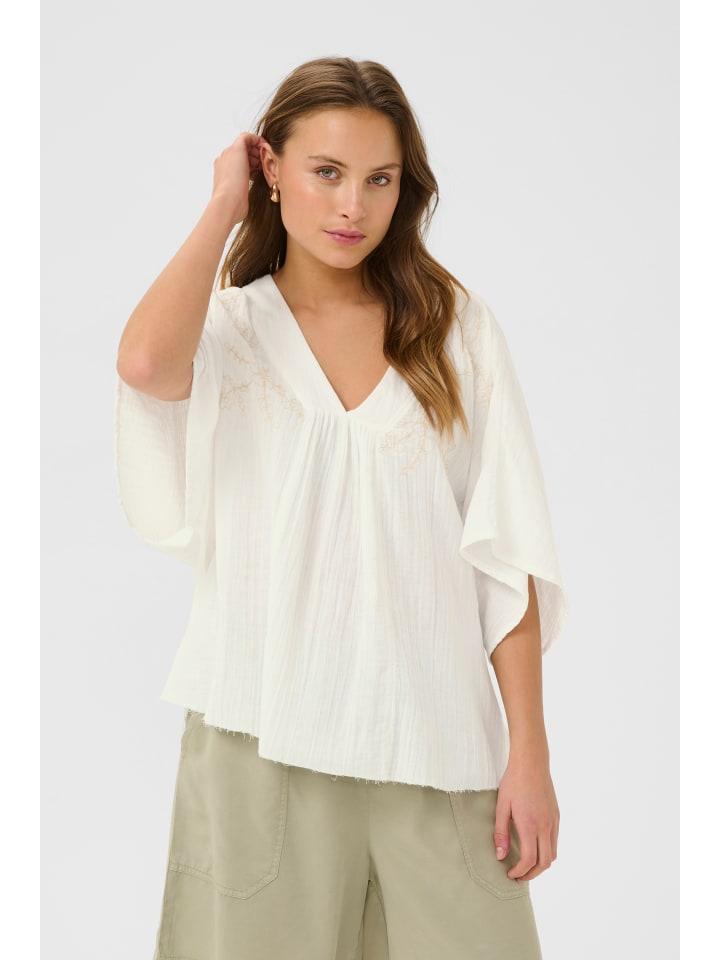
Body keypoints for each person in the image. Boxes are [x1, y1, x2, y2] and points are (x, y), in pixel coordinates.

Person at [114, 56, 568, 960]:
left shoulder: (454, 330)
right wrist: (224, 204)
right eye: (326, 172)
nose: (352, 206)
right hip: (260, 737)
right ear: (272, 170)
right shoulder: (229, 330)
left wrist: (531, 754)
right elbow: (145, 367)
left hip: (435, 741)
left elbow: (506, 552)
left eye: (379, 180)